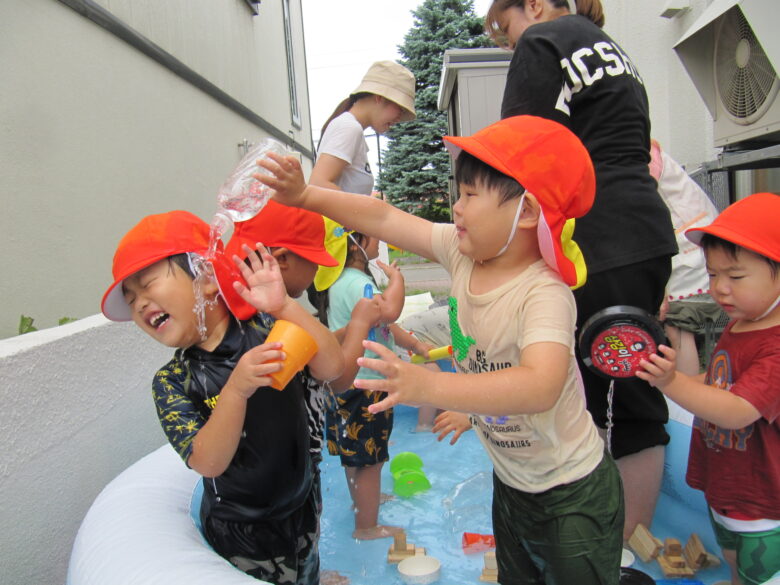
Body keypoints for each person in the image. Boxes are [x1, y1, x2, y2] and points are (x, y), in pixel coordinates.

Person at [257, 115, 625, 585]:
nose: (456, 207)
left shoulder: (543, 294)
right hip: (513, 485)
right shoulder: (461, 252)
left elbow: (540, 385)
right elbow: (385, 218)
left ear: (527, 211)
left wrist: (427, 383)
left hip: (571, 492)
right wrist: (305, 197)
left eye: (471, 195)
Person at [486, 0, 678, 539]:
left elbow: (520, 153)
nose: (508, 44)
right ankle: (627, 544)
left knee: (608, 401)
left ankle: (610, 549)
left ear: (537, 6)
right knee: (631, 388)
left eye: (506, 28)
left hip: (599, 239)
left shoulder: (542, 41)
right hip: (643, 234)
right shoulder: (611, 51)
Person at [100, 209, 344, 585]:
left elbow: (331, 367)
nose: (139, 303)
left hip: (302, 504)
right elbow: (208, 462)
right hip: (241, 533)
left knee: (307, 571)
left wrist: (285, 307)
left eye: (147, 284)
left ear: (207, 278)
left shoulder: (266, 328)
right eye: (131, 300)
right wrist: (236, 390)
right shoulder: (174, 381)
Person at [638, 192, 780, 585]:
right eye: (714, 274)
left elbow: (737, 409)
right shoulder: (743, 322)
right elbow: (718, 382)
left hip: (764, 501)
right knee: (732, 556)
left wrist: (672, 382)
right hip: (729, 485)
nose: (719, 288)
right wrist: (667, 381)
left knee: (761, 571)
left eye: (735, 277)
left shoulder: (776, 344)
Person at [309, 219, 430, 540]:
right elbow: (389, 313)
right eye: (373, 235)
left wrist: (416, 345)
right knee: (371, 461)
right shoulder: (355, 283)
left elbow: (384, 325)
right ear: (355, 243)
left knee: (356, 455)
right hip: (367, 386)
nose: (379, 241)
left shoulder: (341, 282)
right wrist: (397, 279)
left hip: (347, 384)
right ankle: (367, 527)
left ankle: (363, 504)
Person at [310, 59, 415, 287]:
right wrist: (368, 208)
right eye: (400, 107)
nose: (400, 117)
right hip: (339, 255)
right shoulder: (349, 127)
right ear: (379, 96)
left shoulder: (351, 128)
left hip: (346, 253)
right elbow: (318, 183)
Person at [649, 139, 723, 376]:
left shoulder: (640, 153)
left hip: (687, 253)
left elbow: (643, 211)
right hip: (701, 250)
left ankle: (688, 402)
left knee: (679, 326)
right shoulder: (641, 147)